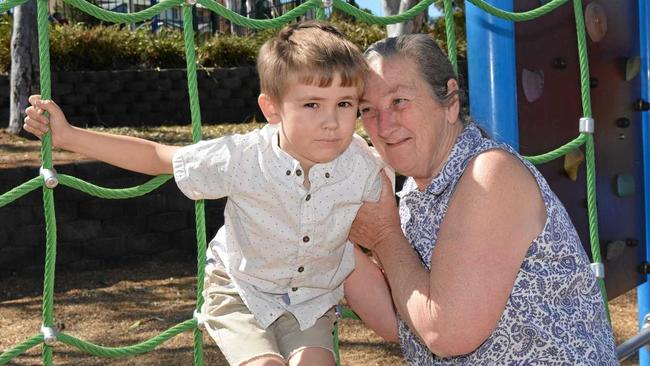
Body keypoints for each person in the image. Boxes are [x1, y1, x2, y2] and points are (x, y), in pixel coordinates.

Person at [23, 21, 395, 366]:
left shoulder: (363, 166)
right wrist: (70, 136)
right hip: (240, 293)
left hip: (310, 300)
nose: (331, 121)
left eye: (344, 104)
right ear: (272, 109)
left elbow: (389, 227)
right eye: (312, 104)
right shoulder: (243, 158)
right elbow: (158, 156)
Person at [345, 34, 618, 364]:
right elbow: (402, 319)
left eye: (399, 101)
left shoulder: (490, 175)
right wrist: (325, 225)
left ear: (450, 104)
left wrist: (383, 236)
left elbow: (446, 331)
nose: (384, 125)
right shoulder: (417, 197)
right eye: (368, 110)